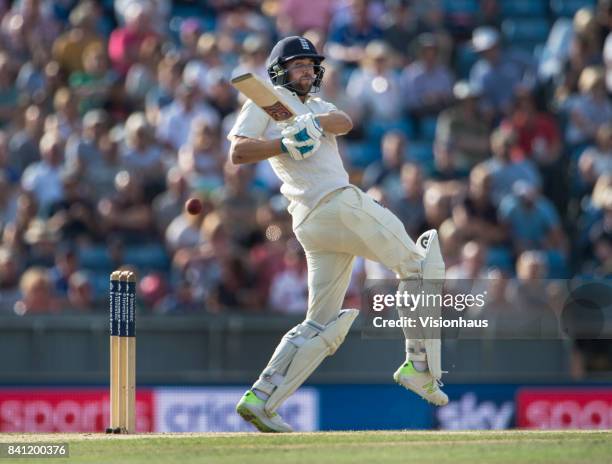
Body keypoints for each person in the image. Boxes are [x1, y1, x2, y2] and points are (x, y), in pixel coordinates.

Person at [228, 36, 448, 433]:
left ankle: (261, 398)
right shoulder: (265, 100)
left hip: (317, 224)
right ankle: (420, 368)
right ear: (280, 70)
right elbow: (238, 153)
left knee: (321, 323)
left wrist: (309, 124)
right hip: (333, 204)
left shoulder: (314, 105)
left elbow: (344, 122)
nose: (307, 72)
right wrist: (283, 143)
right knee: (420, 266)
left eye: (311, 66)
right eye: (298, 65)